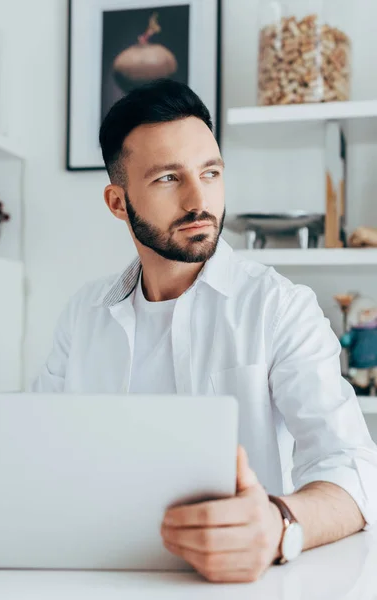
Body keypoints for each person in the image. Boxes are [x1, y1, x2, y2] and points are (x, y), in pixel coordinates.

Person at [33, 79, 377, 583]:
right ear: (117, 201)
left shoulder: (279, 307)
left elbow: (355, 469)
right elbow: (37, 447)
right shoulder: (83, 316)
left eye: (210, 172)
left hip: (240, 586)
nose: (200, 199)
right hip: (100, 578)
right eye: (169, 178)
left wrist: (280, 523)